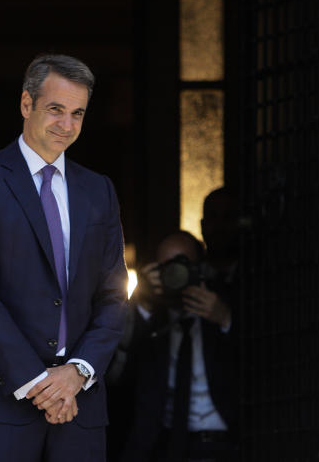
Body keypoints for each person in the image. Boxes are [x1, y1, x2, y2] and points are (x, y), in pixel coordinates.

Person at [0, 54, 128, 461]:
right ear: (26, 104)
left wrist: (78, 372)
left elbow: (115, 294)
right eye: (55, 109)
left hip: (80, 403)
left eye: (77, 113)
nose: (67, 125)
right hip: (0, 404)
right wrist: (40, 383)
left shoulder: (99, 190)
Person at [121, 188, 239, 462]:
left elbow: (260, 362)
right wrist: (144, 301)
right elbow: (120, 371)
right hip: (165, 447)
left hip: (226, 445)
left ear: (201, 266)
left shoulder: (224, 301)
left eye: (183, 265)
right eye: (167, 268)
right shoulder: (149, 317)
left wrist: (225, 319)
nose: (176, 275)